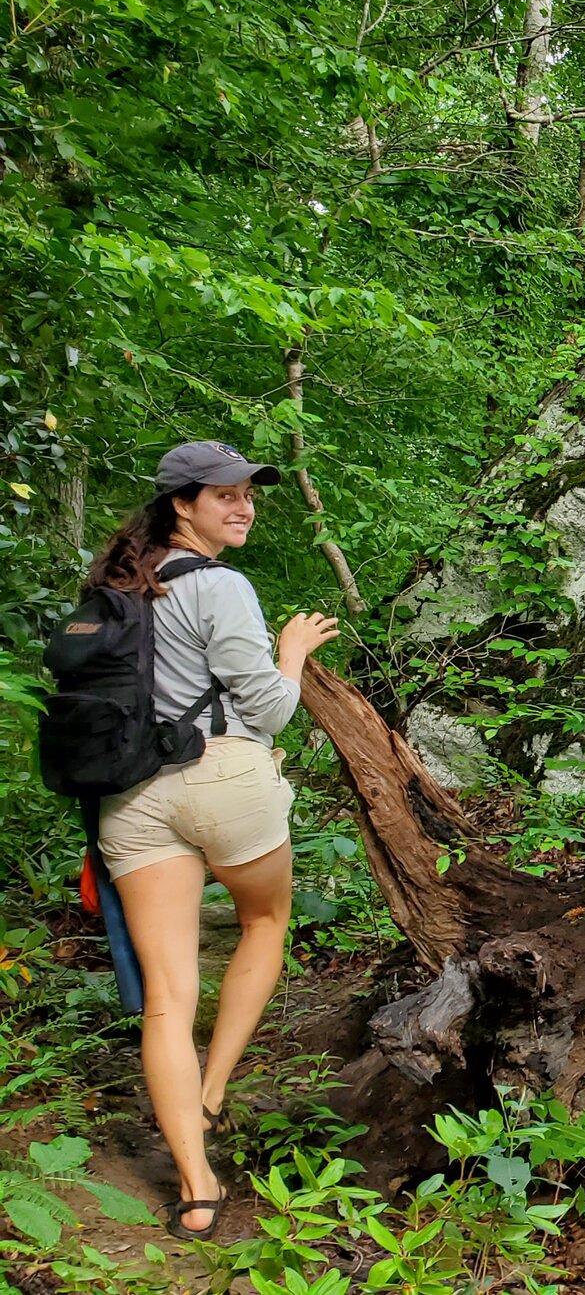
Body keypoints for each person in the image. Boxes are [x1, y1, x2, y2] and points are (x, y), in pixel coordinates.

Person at [86, 441, 340, 1238]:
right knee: (264, 921)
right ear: (181, 506)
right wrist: (291, 655)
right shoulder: (221, 586)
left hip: (128, 800)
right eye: (223, 496)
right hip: (223, 780)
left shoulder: (113, 589)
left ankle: (196, 1187)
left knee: (167, 999)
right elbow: (267, 710)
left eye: (249, 495)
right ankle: (213, 1087)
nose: (243, 507)